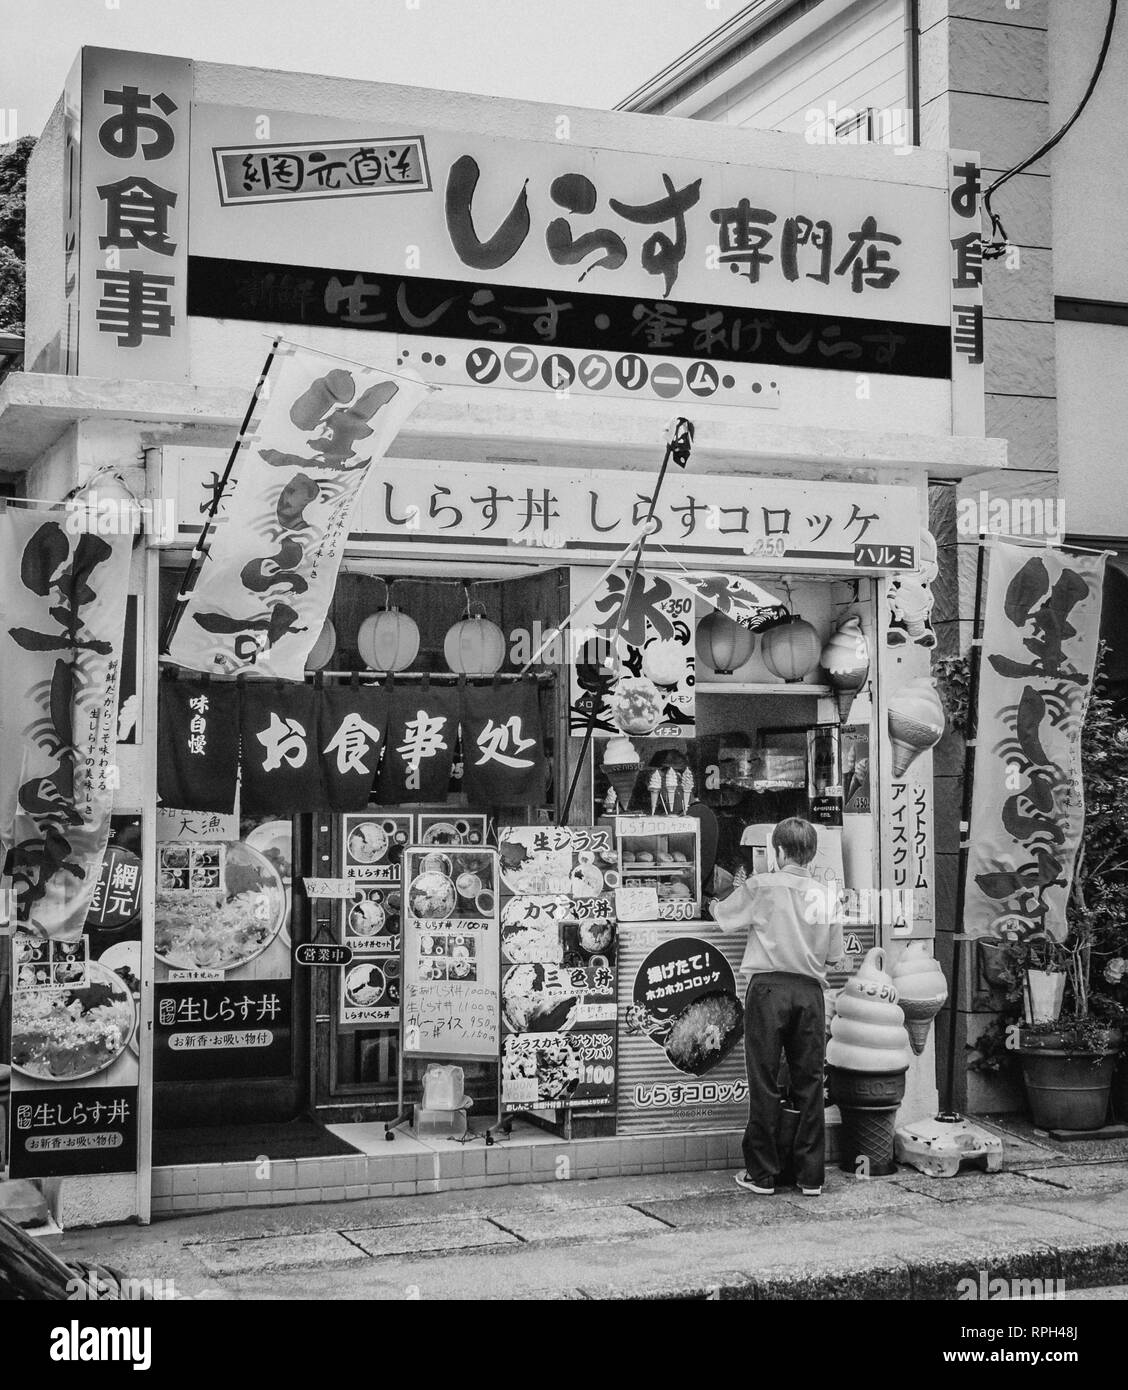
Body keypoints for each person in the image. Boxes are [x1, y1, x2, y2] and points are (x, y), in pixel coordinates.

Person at [711, 817, 847, 1196]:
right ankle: (811, 1177)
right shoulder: (827, 894)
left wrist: (711, 901)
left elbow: (722, 917)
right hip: (810, 993)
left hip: (768, 991)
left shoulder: (760, 885)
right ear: (812, 853)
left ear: (780, 851)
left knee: (765, 1082)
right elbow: (835, 956)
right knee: (810, 1083)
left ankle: (763, 1174)